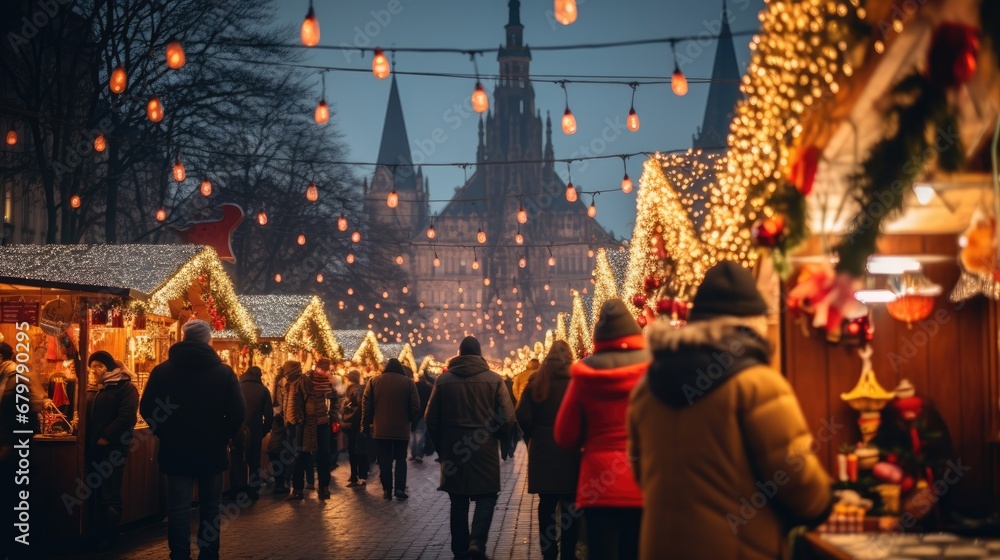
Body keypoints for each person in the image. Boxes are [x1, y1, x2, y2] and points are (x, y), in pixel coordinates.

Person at [629, 261, 833, 559]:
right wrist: (826, 503)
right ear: (754, 324)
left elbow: (641, 473)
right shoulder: (757, 385)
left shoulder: (647, 389)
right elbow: (799, 483)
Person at [140, 319, 246, 560]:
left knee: (178, 509)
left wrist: (164, 431)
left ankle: (179, 554)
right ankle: (208, 554)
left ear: (184, 338)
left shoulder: (163, 371)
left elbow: (147, 407)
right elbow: (239, 412)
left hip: (175, 450)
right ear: (208, 339)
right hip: (212, 450)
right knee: (210, 508)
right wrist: (223, 436)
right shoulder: (224, 373)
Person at [554, 299, 647, 560]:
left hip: (598, 486)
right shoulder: (654, 370)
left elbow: (565, 434)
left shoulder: (584, 374)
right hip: (642, 481)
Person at [426, 336, 516, 560]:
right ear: (479, 354)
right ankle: (477, 542)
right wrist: (500, 437)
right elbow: (508, 417)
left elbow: (431, 418)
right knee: (486, 495)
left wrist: (441, 447)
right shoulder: (495, 380)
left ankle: (459, 548)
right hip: (484, 446)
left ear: (459, 354)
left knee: (457, 499)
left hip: (454, 448)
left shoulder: (443, 381)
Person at [516, 342, 580, 560]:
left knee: (547, 504)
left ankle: (549, 550)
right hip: (572, 450)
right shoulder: (578, 380)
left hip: (543, 451)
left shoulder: (536, 381)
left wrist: (533, 435)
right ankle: (569, 553)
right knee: (571, 505)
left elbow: (522, 416)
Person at [84, 351, 139, 549]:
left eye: (100, 366)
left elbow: (126, 417)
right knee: (93, 492)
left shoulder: (125, 387)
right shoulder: (94, 389)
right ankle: (94, 533)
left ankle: (109, 536)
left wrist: (106, 436)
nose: (96, 370)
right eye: (93, 366)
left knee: (109, 493)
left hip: (113, 448)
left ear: (109, 367)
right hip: (92, 448)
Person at [362, 358, 421, 500]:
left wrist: (366, 425)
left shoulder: (374, 381)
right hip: (401, 429)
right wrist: (408, 419)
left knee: (385, 459)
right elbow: (416, 406)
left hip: (380, 429)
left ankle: (387, 489)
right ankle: (399, 489)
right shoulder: (409, 383)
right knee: (401, 458)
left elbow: (366, 406)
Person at [288, 357, 333, 500]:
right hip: (308, 423)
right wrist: (299, 419)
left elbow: (335, 400)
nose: (325, 372)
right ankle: (298, 488)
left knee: (321, 455)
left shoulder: (328, 383)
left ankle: (322, 487)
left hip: (320, 422)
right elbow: (297, 400)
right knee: (302, 454)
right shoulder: (306, 380)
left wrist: (333, 415)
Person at [231, 366, 272, 501]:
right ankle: (253, 491)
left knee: (237, 459)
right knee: (254, 462)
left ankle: (236, 490)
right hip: (255, 430)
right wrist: (263, 431)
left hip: (237, 430)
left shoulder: (237, 387)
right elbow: (269, 415)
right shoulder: (263, 390)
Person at [266, 364, 292, 495]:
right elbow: (286, 403)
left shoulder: (277, 382)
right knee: (284, 451)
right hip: (283, 419)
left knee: (277, 451)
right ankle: (282, 483)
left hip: (278, 418)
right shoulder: (285, 383)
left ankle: (279, 482)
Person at [340, 369, 369, 486]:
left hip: (352, 423)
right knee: (361, 449)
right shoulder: (363, 388)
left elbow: (347, 405)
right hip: (361, 424)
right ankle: (362, 475)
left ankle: (354, 476)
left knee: (352, 450)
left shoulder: (351, 389)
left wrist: (344, 409)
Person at [410, 366, 433, 463]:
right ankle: (419, 454)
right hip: (423, 413)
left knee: (412, 434)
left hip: (413, 413)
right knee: (420, 434)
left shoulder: (413, 386)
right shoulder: (428, 388)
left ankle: (413, 454)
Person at [499, 373, 519, 461]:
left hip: (501, 415)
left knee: (504, 436)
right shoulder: (514, 388)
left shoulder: (500, 388)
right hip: (514, 414)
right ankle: (511, 451)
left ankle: (504, 453)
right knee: (514, 434)